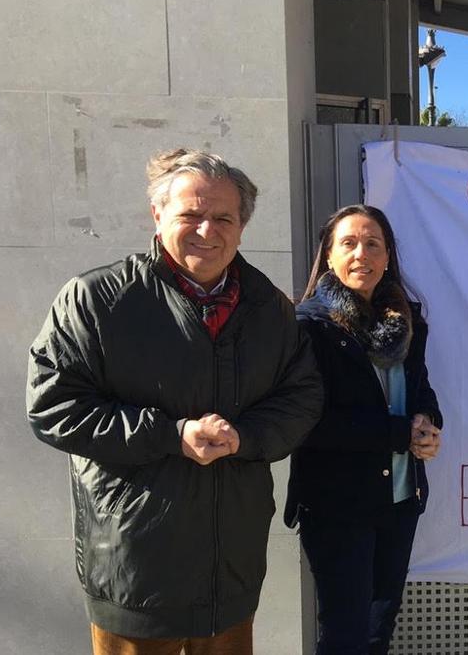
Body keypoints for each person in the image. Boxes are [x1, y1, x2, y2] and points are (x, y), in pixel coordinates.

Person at [26, 148, 324, 653]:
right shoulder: (97, 299)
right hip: (133, 566)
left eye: (223, 217)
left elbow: (302, 397)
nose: (207, 231)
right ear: (158, 214)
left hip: (230, 565)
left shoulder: (269, 307)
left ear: (242, 226)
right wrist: (171, 435)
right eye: (191, 214)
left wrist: (245, 436)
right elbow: (53, 405)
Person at [284, 205, 443, 654]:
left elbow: (420, 389)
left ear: (388, 256)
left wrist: (429, 423)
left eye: (373, 243)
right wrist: (399, 436)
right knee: (346, 638)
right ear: (329, 257)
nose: (362, 254)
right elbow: (308, 423)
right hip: (338, 507)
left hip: (399, 501)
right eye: (349, 243)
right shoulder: (309, 328)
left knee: (376, 635)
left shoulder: (403, 323)